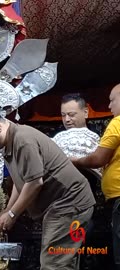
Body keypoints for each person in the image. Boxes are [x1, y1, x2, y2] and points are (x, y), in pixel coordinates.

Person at [0, 108, 95, 270]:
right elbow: (19, 181)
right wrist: (8, 209)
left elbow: (35, 182)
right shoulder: (9, 143)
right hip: (60, 205)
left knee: (53, 263)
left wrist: (13, 214)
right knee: (62, 262)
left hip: (69, 203)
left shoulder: (23, 140)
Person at [72, 83, 120, 270]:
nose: (109, 106)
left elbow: (98, 159)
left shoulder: (117, 122)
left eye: (112, 101)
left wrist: (74, 161)